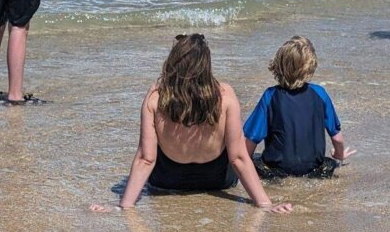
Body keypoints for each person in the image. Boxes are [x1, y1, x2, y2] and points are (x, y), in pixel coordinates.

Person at [90, 34, 292, 213]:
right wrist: (265, 204)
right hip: (218, 182)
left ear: (173, 62)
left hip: (167, 182)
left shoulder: (155, 98)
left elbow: (146, 159)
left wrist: (123, 206)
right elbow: (238, 157)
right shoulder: (225, 95)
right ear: (206, 65)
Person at [243, 36, 355, 178]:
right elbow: (337, 138)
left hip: (277, 170)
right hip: (314, 168)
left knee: (256, 159)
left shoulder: (270, 96)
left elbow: (251, 140)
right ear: (310, 68)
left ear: (278, 65)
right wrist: (339, 154)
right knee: (326, 164)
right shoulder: (320, 93)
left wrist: (244, 163)